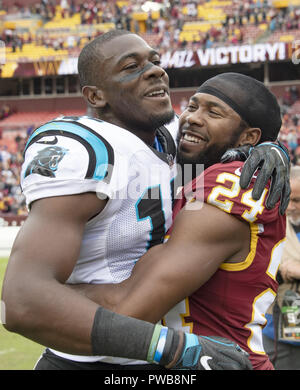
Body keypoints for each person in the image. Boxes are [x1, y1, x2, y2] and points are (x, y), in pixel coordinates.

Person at [1, 30, 289, 370]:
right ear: (95, 95)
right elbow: (23, 303)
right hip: (93, 351)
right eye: (131, 67)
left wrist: (271, 147)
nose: (156, 71)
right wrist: (171, 347)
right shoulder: (86, 148)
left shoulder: (167, 145)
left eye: (155, 61)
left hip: (147, 349)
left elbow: (215, 154)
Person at [68, 73, 287, 370]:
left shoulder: (234, 181)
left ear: (249, 137)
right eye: (193, 106)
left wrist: (46, 291)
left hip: (222, 361)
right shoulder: (191, 172)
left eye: (213, 112)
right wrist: (276, 147)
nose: (193, 118)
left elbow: (129, 310)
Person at [263, 165, 300, 370]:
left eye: (297, 200)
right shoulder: (272, 224)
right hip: (277, 328)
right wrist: (285, 270)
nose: (291, 206)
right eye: (288, 198)